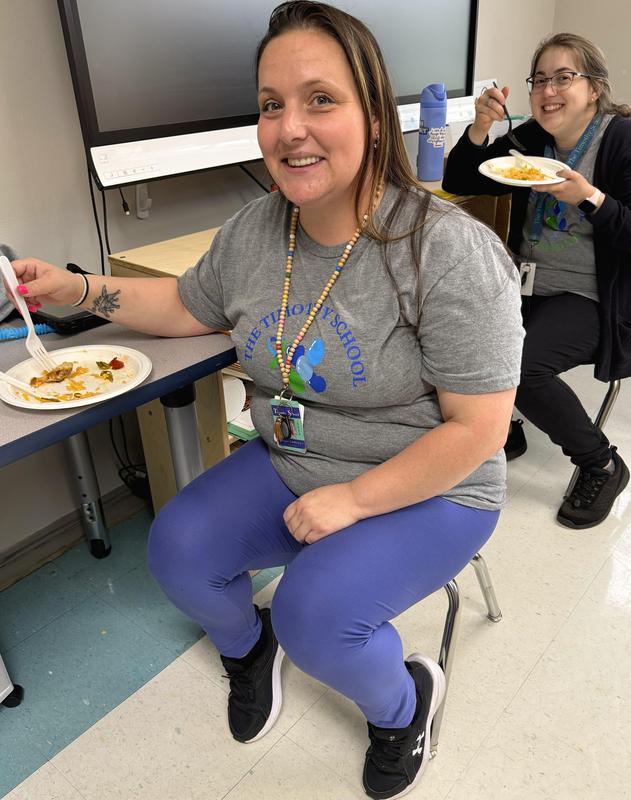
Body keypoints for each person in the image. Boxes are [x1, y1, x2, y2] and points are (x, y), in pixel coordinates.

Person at [6, 3, 523, 797]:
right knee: (177, 550)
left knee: (317, 615)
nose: (289, 128)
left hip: (433, 482)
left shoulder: (447, 250)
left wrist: (353, 499)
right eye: (272, 103)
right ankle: (252, 650)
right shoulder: (256, 230)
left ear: (374, 118)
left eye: (321, 99)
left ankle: (401, 703)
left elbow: (479, 429)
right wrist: (73, 287)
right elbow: (185, 306)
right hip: (297, 454)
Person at [443, 33, 631, 531]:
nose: (549, 90)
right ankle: (508, 428)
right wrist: (481, 128)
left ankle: (601, 463)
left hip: (596, 297)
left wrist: (590, 198)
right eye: (540, 80)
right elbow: (462, 179)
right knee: (452, 332)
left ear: (594, 88)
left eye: (564, 77)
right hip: (525, 285)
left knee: (520, 365)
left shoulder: (623, 141)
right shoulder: (530, 139)